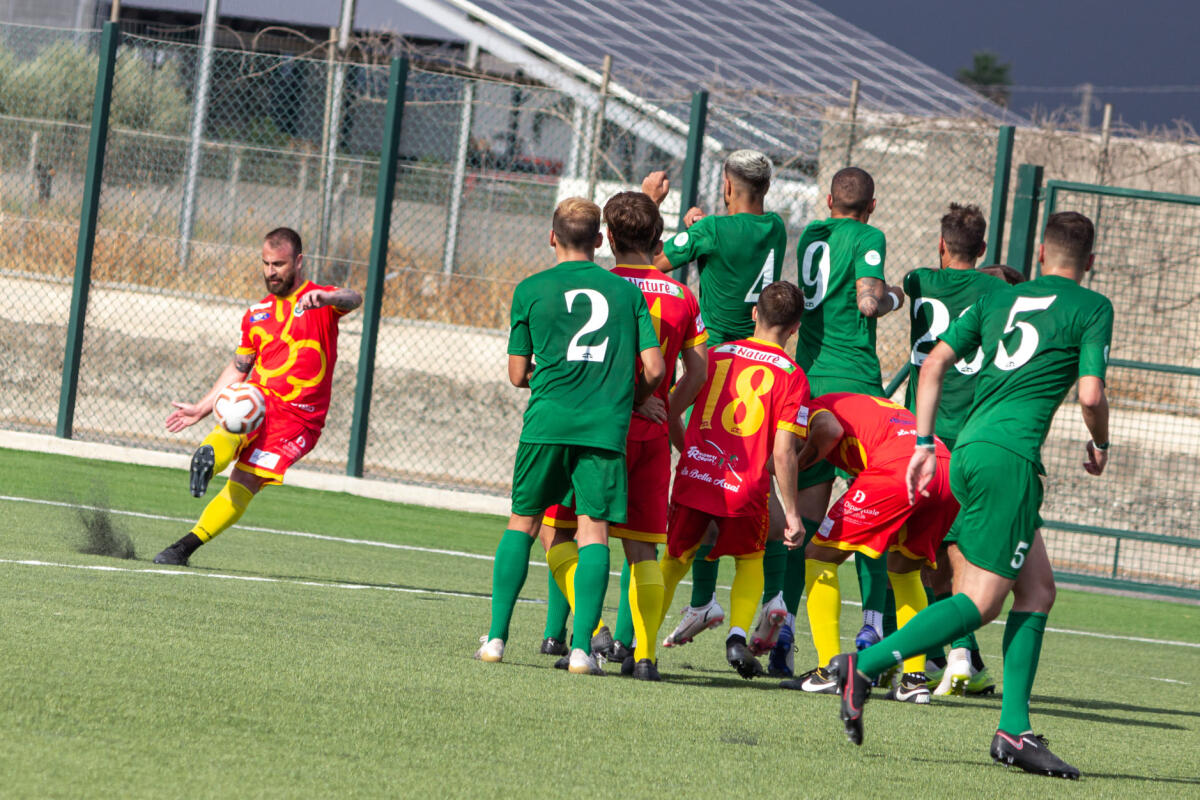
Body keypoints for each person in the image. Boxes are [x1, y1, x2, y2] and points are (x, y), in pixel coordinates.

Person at [831, 212, 1113, 780]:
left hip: (969, 449)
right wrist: (1101, 441)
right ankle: (863, 665)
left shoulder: (997, 297)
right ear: (1089, 263)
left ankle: (1013, 730)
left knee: (1037, 591)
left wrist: (923, 443)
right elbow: (1090, 392)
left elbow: (933, 362)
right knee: (981, 603)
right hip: (1009, 460)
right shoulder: (1091, 307)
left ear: (1037, 255)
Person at [475, 197, 666, 676]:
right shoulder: (625, 293)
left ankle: (496, 639)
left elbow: (518, 374)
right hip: (605, 426)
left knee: (524, 522)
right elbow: (657, 367)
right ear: (599, 241)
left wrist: (551, 377)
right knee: (593, 532)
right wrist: (634, 396)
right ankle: (581, 649)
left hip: (548, 421)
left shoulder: (531, 289)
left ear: (552, 236)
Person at [536, 191, 708, 680]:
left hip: (595, 426)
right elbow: (697, 372)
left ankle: (594, 630)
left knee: (557, 530)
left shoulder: (597, 284)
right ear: (658, 238)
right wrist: (663, 409)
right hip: (651, 435)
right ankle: (647, 657)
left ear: (606, 238)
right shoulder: (682, 296)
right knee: (643, 550)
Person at [643, 150, 792, 653]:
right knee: (752, 484)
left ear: (726, 186)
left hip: (718, 363)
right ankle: (764, 601)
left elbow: (655, 261)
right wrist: (704, 229)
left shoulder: (712, 233)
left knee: (699, 473)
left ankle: (700, 602)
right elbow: (738, 236)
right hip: (765, 364)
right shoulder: (776, 228)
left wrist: (664, 212)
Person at [153, 228, 362, 566]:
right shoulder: (256, 313)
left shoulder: (321, 299)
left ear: (298, 261)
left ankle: (184, 545)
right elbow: (239, 368)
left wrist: (328, 299)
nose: (270, 272)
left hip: (298, 420)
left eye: (278, 264)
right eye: (265, 264)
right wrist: (201, 408)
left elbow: (354, 298)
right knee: (239, 413)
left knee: (245, 479)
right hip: (260, 401)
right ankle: (205, 465)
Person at [775, 167, 905, 677]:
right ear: (870, 207)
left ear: (828, 200)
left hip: (809, 381)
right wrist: (894, 295)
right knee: (874, 505)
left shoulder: (812, 232)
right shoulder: (870, 236)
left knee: (802, 512)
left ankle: (781, 621)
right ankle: (873, 624)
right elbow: (869, 302)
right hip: (855, 384)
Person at [657, 281, 807, 679]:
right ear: (795, 328)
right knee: (750, 557)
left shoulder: (716, 354)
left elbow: (670, 410)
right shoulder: (793, 376)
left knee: (672, 562)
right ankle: (737, 636)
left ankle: (640, 645)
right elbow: (783, 451)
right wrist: (792, 513)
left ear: (754, 313)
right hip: (746, 488)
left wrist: (687, 452)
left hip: (697, 474)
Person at [776, 393, 957, 705]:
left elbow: (829, 430)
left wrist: (798, 461)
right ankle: (914, 680)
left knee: (819, 557)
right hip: (944, 469)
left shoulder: (812, 409)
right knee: (904, 571)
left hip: (902, 467)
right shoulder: (869, 405)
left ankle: (829, 671)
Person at [903, 204, 1008, 695]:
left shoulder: (917, 279)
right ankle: (959, 653)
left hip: (918, 432)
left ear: (941, 246)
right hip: (970, 431)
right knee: (957, 549)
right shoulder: (997, 290)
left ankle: (915, 653)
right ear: (983, 251)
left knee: (910, 548)